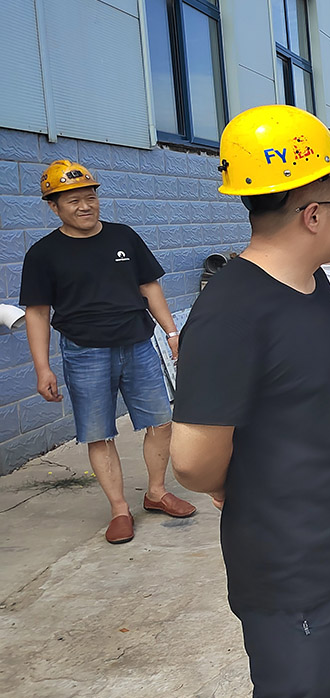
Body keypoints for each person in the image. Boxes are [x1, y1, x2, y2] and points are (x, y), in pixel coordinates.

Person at [168, 106, 330, 698]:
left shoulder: (310, 287)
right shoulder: (234, 310)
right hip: (293, 565)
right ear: (313, 215)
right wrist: (245, 484)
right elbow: (193, 462)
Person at [19, 159, 195, 545]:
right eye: (74, 201)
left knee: (161, 421)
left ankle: (156, 491)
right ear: (54, 207)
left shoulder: (124, 237)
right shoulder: (44, 254)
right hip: (85, 353)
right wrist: (42, 368)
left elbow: (150, 288)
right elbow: (37, 312)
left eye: (90, 197)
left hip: (138, 344)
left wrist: (171, 332)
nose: (85, 206)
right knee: (98, 434)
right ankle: (119, 509)